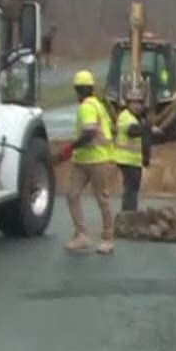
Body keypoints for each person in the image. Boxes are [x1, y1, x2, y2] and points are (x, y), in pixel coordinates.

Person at [57, 69, 116, 255]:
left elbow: (89, 134)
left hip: (97, 159)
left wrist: (69, 148)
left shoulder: (88, 107)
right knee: (73, 194)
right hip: (85, 160)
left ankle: (107, 238)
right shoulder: (98, 105)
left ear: (79, 90)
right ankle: (81, 235)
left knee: (101, 199)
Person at [114, 92, 151, 213]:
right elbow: (132, 131)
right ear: (128, 104)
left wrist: (146, 158)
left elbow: (143, 140)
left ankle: (129, 215)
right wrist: (148, 128)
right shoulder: (125, 117)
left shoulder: (138, 118)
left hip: (134, 161)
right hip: (126, 160)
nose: (137, 106)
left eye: (140, 103)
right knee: (130, 191)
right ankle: (128, 215)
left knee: (133, 190)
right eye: (134, 103)